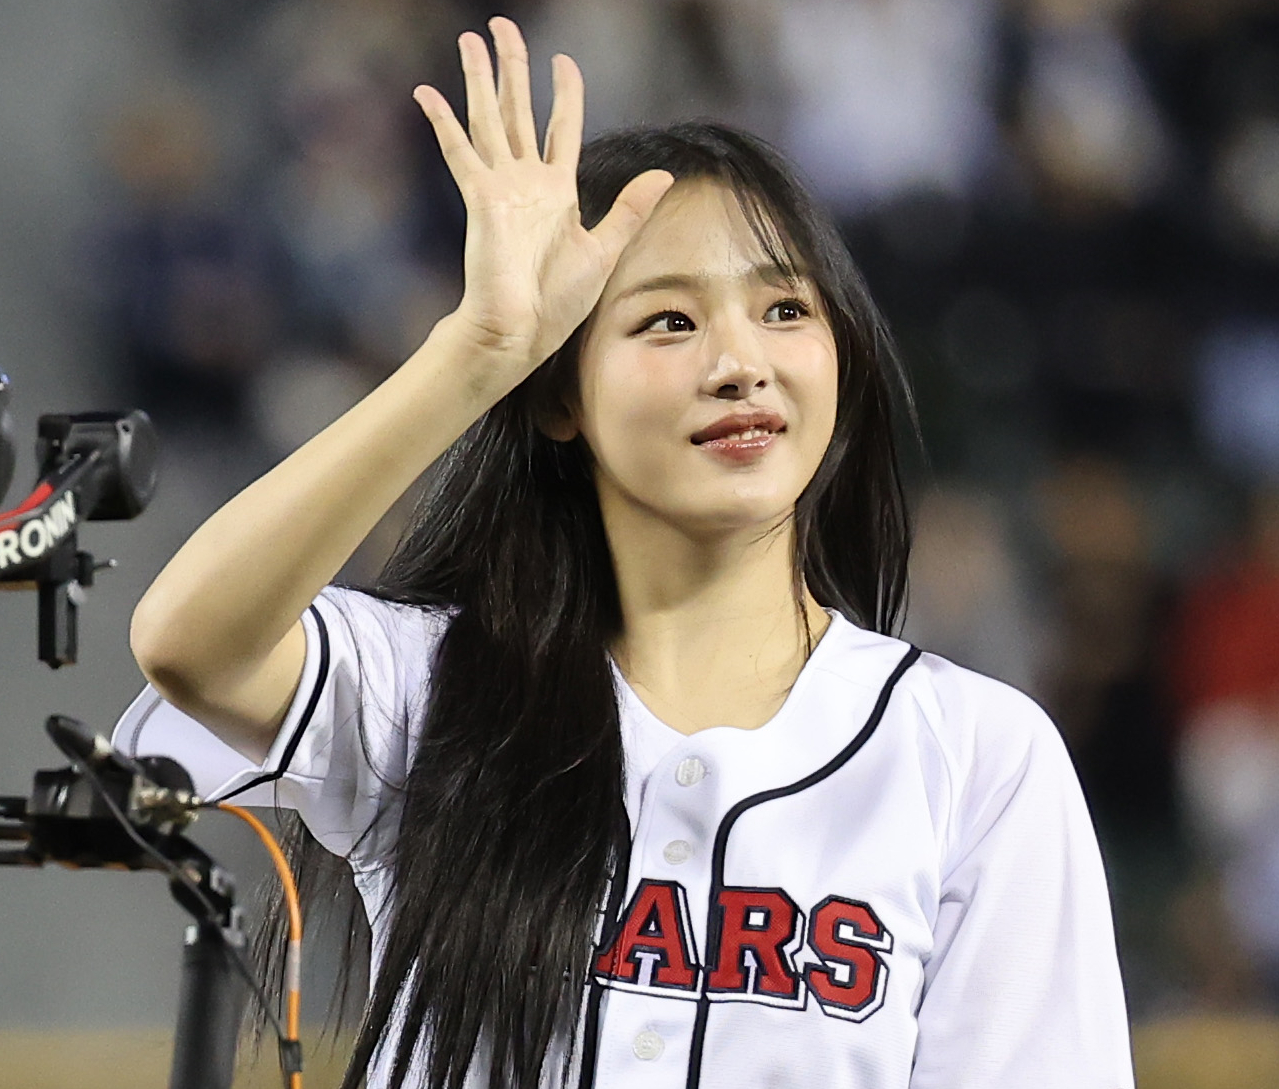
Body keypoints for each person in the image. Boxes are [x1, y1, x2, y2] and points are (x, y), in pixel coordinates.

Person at [114, 16, 1134, 1089]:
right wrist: (477, 354)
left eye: (784, 307)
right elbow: (191, 643)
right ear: (563, 397)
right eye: (667, 323)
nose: (741, 362)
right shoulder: (432, 684)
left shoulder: (973, 756)